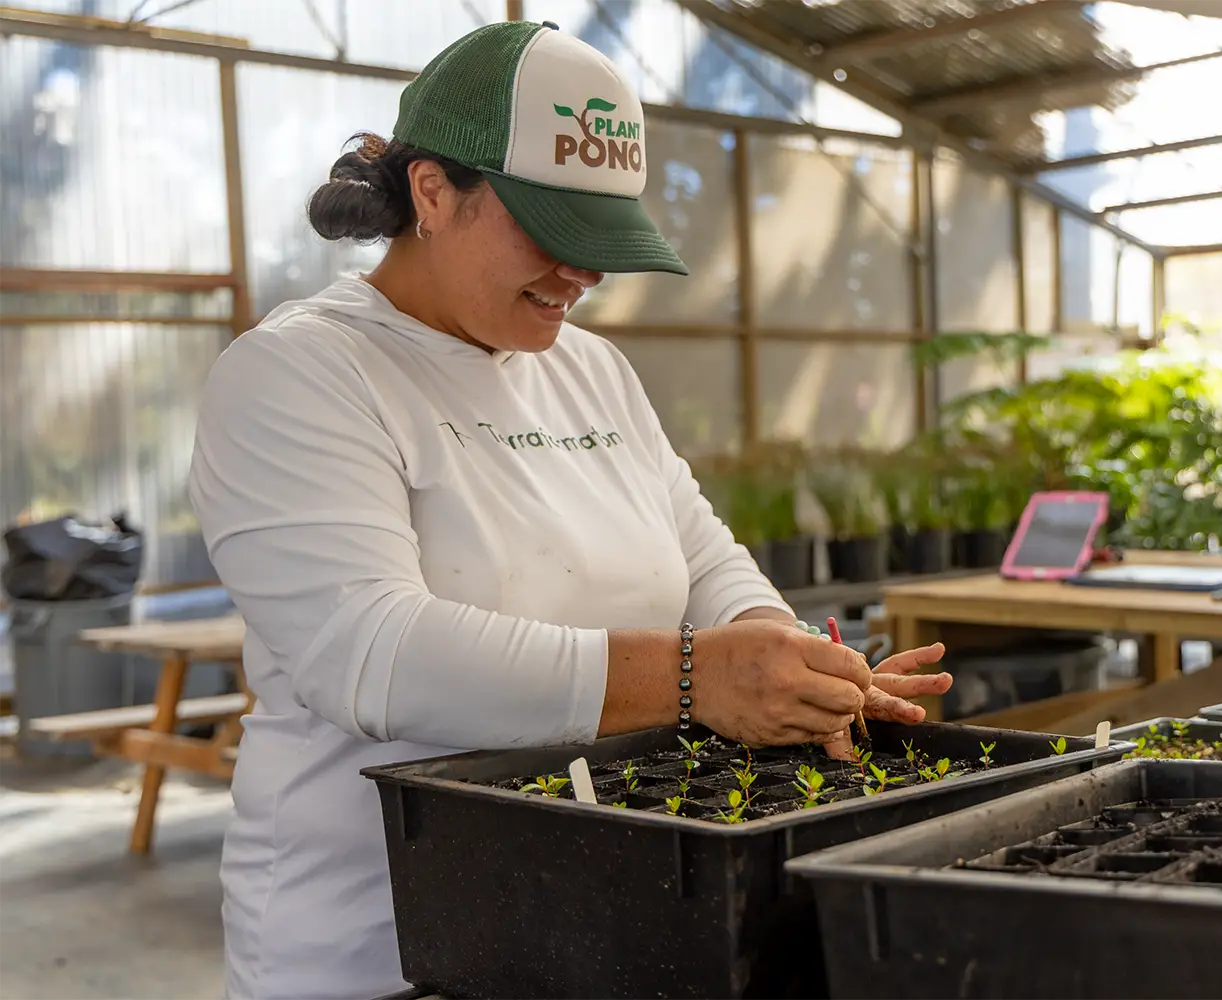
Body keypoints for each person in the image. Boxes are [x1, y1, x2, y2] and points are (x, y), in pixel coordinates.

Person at [189, 19, 951, 1000]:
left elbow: (699, 548)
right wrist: (693, 678)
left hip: (598, 915)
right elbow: (368, 654)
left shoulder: (590, 368)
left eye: (601, 244)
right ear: (433, 192)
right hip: (376, 947)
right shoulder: (301, 373)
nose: (581, 276)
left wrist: (774, 652)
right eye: (552, 235)